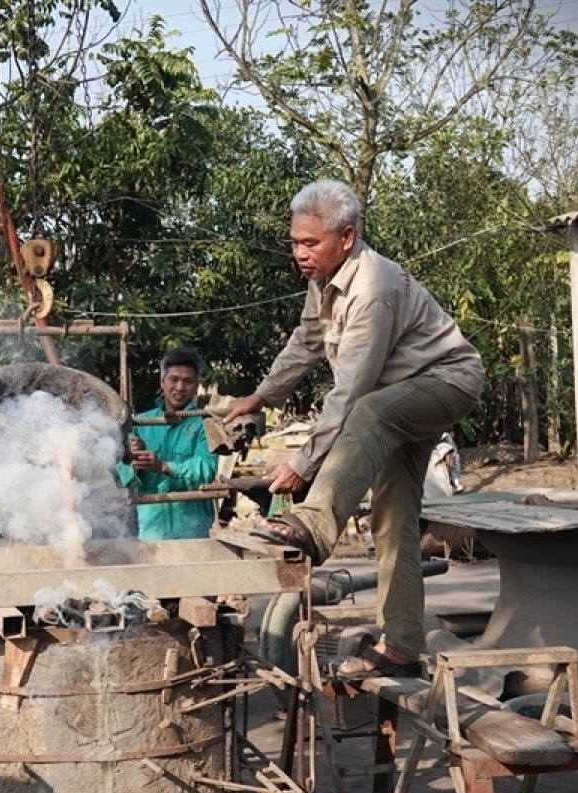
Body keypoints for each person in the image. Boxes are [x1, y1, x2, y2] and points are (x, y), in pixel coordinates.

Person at [224, 178, 485, 680]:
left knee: (366, 412)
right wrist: (262, 395)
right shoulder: (322, 280)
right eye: (295, 242)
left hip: (447, 381)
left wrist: (303, 466)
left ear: (346, 237)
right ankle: (404, 645)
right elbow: (306, 342)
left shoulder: (373, 289)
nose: (299, 253)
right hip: (399, 397)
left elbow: (351, 395)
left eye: (310, 243)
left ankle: (317, 524)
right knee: (394, 521)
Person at [118, 346, 218, 540]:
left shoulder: (205, 424)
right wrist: (130, 459)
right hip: (151, 532)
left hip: (193, 533)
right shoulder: (140, 423)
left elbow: (206, 469)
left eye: (188, 381)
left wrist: (163, 466)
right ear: (162, 381)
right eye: (174, 379)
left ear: (197, 385)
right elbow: (122, 478)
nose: (180, 387)